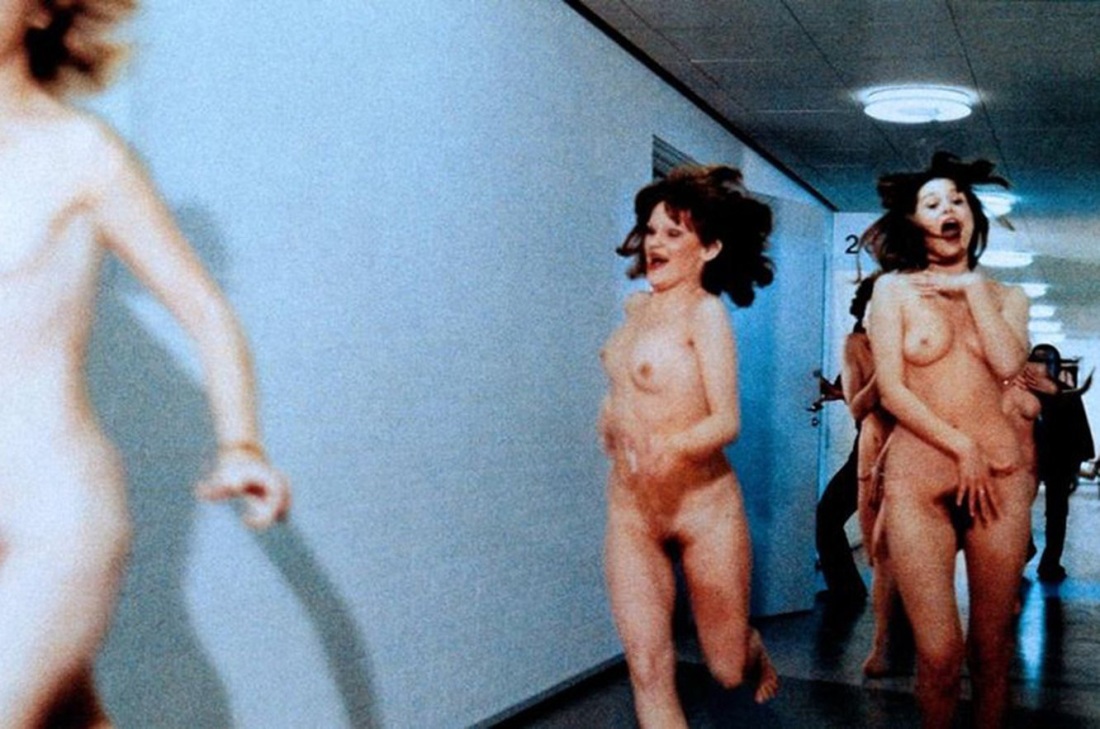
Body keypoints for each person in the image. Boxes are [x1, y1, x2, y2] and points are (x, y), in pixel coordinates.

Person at [0, 2, 291, 726]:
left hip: (54, 518)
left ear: (42, 12)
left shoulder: (81, 153)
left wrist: (242, 446)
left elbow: (206, 312)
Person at [599, 164, 778, 727]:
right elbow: (629, 387)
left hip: (704, 510)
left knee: (725, 668)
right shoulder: (634, 309)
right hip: (632, 511)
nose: (655, 243)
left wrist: (673, 448)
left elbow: (726, 421)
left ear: (709, 248)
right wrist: (609, 416)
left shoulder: (706, 314)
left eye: (673, 233)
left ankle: (748, 647)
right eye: (651, 230)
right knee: (648, 670)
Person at [864, 152, 1031, 728]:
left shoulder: (1007, 296)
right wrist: (961, 446)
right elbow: (891, 390)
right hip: (920, 479)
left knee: (992, 653)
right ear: (915, 222)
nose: (947, 210)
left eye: (957, 201)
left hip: (1000, 480)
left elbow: (1009, 364)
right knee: (938, 656)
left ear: (973, 217)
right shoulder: (893, 291)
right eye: (932, 203)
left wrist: (971, 288)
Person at [1028, 344, 1095, 582]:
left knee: (1056, 513)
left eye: (1045, 363)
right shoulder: (1024, 391)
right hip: (1029, 460)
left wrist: (1075, 466)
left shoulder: (1066, 393)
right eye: (1036, 362)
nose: (1040, 368)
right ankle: (1028, 549)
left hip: (1058, 460)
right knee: (1018, 507)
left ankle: (1050, 561)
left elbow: (1079, 431)